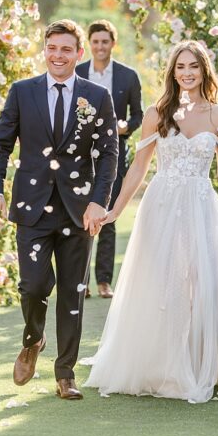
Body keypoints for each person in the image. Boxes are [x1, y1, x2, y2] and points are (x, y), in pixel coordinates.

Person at [84, 40, 218, 402]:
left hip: (202, 204)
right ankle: (161, 363)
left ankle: (195, 361)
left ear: (204, 70)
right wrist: (114, 210)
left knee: (198, 282)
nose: (187, 73)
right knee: (161, 282)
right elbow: (138, 170)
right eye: (180, 67)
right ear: (172, 72)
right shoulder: (156, 113)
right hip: (161, 204)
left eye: (193, 66)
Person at [0, 19, 119, 400]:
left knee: (73, 291)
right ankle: (32, 338)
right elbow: (0, 145)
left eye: (65, 49)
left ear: (79, 54)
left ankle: (66, 373)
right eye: (52, 48)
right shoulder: (22, 92)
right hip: (32, 207)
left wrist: (99, 200)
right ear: (44, 50)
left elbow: (110, 152)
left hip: (79, 211)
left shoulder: (97, 96)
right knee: (32, 285)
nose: (58, 56)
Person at [76, 19, 143, 299]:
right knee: (78, 215)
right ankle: (80, 281)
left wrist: (124, 126)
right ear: (88, 45)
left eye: (105, 41)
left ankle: (104, 280)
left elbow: (138, 115)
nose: (100, 46)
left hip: (113, 154)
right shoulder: (76, 72)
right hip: (78, 155)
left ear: (113, 44)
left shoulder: (128, 76)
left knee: (108, 217)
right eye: (95, 42)